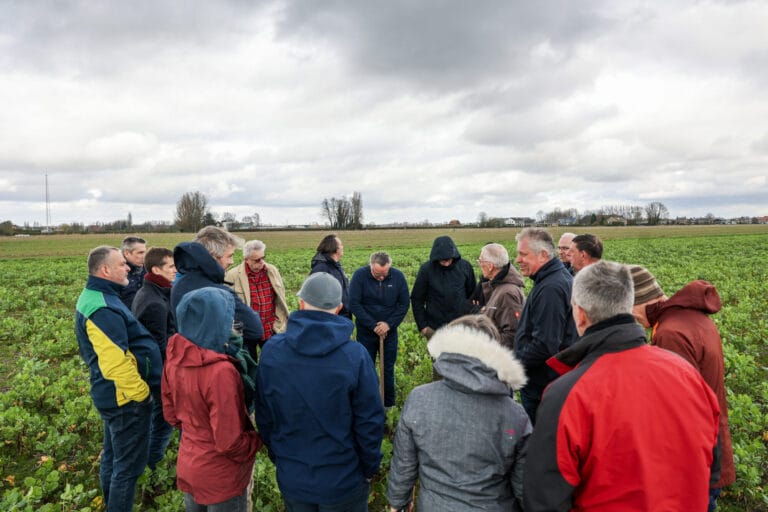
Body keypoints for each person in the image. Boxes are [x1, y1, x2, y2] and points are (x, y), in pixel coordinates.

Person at [523, 261, 721, 511]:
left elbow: (544, 500)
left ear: (580, 314)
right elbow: (712, 470)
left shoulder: (566, 394)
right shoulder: (687, 374)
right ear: (628, 306)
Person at [255, 272, 384, 511]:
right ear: (339, 308)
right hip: (343, 479)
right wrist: (369, 467)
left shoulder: (273, 351)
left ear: (301, 304)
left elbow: (265, 415)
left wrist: (280, 457)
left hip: (293, 476)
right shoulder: (354, 356)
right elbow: (370, 421)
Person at [386, 315, 531, 512]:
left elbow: (404, 465)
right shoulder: (515, 415)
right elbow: (524, 486)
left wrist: (397, 503)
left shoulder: (419, 399)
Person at [629, 265, 735, 511]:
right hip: (711, 446)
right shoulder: (690, 318)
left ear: (640, 303)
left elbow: (678, 411)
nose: (633, 321)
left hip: (696, 464)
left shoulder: (670, 333)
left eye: (629, 312)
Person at [74, 246, 162, 511]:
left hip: (112, 396)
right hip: (124, 400)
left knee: (113, 458)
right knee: (127, 469)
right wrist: (141, 395)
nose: (129, 268)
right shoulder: (102, 308)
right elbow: (116, 364)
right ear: (105, 270)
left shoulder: (97, 296)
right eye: (122, 264)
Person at [162, 287, 262, 511]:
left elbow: (171, 414)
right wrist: (257, 440)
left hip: (190, 461)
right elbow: (229, 442)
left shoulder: (175, 355)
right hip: (222, 475)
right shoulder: (221, 371)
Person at [513, 228, 577, 423]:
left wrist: (512, 366)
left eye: (523, 254)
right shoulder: (553, 279)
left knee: (541, 441)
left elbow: (545, 344)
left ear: (543, 255)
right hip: (549, 382)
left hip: (544, 385)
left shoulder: (551, 288)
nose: (517, 260)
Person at [172, 226, 264, 360]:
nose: (232, 261)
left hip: (188, 361)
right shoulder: (219, 293)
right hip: (217, 364)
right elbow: (255, 330)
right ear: (214, 257)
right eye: (230, 256)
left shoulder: (179, 285)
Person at [131, 247, 176, 470]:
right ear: (156, 269)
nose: (175, 270)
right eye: (170, 266)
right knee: (163, 421)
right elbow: (159, 348)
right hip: (158, 375)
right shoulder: (154, 302)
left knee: (156, 420)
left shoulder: (154, 291)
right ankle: (152, 466)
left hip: (155, 372)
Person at [349, 251, 410, 408]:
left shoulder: (398, 277)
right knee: (366, 369)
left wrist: (388, 324)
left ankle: (388, 406)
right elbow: (354, 304)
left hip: (389, 332)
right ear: (371, 266)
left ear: (389, 267)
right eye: (377, 274)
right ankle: (367, 405)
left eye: (385, 274)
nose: (381, 277)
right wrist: (373, 325)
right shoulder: (359, 276)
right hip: (366, 332)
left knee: (388, 369)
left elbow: (403, 304)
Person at [410, 236, 475, 340]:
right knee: (439, 357)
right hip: (435, 328)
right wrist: (423, 326)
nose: (446, 264)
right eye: (442, 261)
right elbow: (417, 298)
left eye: (448, 260)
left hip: (461, 326)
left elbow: (472, 295)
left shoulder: (465, 267)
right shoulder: (426, 270)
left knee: (461, 356)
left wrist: (472, 321)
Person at [225, 239, 289, 341]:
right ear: (246, 259)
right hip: (247, 331)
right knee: (249, 357)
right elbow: (228, 306)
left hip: (271, 328)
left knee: (272, 356)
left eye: (263, 258)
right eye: (257, 260)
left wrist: (279, 322)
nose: (262, 262)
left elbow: (280, 298)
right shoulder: (232, 275)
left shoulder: (272, 271)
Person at [476, 243, 526, 349]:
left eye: (480, 261)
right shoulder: (497, 287)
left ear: (490, 266)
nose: (479, 264)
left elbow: (513, 336)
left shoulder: (508, 293)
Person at [310, 234, 352, 318]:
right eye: (341, 245)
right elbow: (315, 297)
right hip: (331, 319)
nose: (343, 247)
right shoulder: (321, 269)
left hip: (342, 316)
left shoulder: (336, 266)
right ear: (335, 249)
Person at [120, 235, 147, 308]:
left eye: (145, 252)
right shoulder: (117, 274)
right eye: (140, 253)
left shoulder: (147, 270)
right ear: (127, 253)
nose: (144, 256)